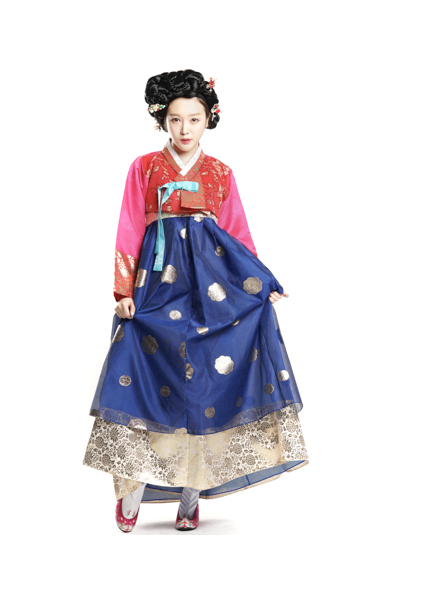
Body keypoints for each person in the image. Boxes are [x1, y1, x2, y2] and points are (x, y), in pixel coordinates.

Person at [82, 69, 309, 533]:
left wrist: (261, 282)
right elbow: (130, 227)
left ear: (209, 119)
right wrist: (123, 291)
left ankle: (191, 494)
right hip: (156, 287)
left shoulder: (221, 173)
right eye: (175, 119)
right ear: (162, 120)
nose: (185, 129)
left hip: (211, 291)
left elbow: (237, 236)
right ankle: (132, 489)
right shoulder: (145, 167)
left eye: (194, 119)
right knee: (139, 373)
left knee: (205, 383)